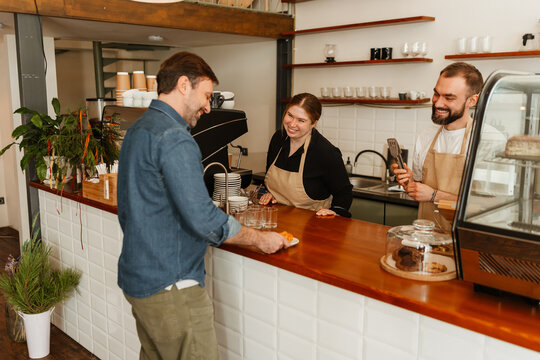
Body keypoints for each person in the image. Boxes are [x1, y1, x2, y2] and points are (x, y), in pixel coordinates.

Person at [116, 51, 290, 360]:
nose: (208, 107)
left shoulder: (137, 130)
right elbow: (203, 219)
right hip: (172, 286)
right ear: (184, 85)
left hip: (139, 278)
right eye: (206, 96)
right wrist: (259, 238)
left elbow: (129, 209)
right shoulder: (175, 137)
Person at [392, 62, 504, 231]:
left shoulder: (490, 140)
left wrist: (434, 195)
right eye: (436, 94)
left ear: (472, 101)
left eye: (449, 97)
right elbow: (421, 189)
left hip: (466, 244)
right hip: (427, 238)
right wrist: (410, 183)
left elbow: (491, 207)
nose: (437, 103)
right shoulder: (426, 136)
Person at [259, 93, 353, 217]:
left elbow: (344, 193)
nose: (292, 124)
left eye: (301, 120)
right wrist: (270, 193)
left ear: (313, 123)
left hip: (311, 225)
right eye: (290, 115)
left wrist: (335, 212)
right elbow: (270, 180)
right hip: (278, 219)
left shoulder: (325, 152)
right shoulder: (279, 138)